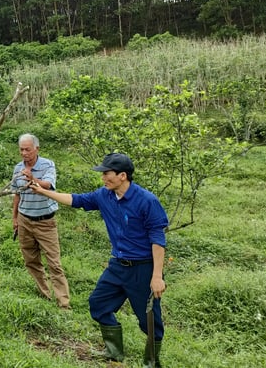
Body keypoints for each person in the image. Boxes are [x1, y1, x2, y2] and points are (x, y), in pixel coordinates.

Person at [29, 152, 169, 368]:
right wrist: (44, 192)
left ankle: (151, 362)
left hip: (143, 267)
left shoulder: (147, 201)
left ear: (123, 176)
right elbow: (76, 199)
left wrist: (157, 276)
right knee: (98, 304)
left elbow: (158, 239)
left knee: (149, 320)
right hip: (117, 265)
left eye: (107, 174)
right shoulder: (105, 195)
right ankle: (114, 352)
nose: (103, 178)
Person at [11, 133, 71, 309]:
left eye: (27, 149)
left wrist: (32, 179)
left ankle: (64, 304)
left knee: (54, 263)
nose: (24, 153)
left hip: (45, 222)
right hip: (24, 220)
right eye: (21, 150)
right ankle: (45, 295)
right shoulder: (17, 168)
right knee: (31, 260)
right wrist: (15, 218)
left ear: (37, 148)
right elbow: (17, 195)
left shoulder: (47, 165)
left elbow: (47, 185)